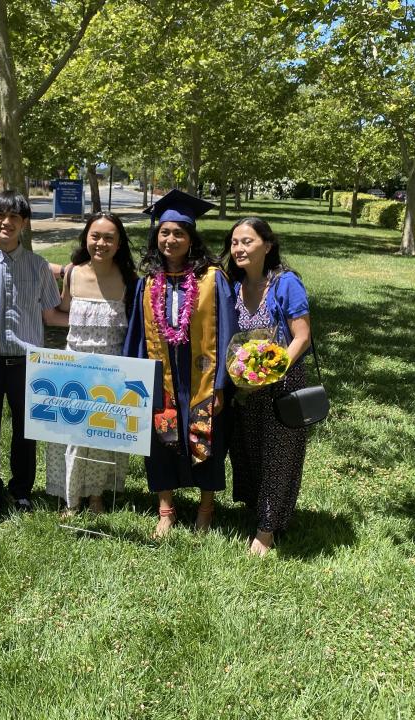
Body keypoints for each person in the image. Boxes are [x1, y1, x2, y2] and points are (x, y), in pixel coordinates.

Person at [124, 190, 239, 538]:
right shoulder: (147, 284)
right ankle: (166, 510)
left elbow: (228, 332)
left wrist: (220, 384)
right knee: (161, 441)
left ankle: (206, 507)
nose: (170, 239)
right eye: (164, 232)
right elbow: (137, 337)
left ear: (191, 239)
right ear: (156, 237)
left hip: (201, 376)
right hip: (161, 377)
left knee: (208, 439)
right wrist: (134, 381)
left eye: (179, 233)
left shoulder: (212, 279)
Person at [0, 190, 64, 521]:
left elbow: (52, 316)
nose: (7, 222)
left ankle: (21, 491)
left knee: (27, 431)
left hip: (28, 364)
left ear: (24, 224)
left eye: (15, 217)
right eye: (0, 215)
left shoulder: (38, 267)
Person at [225, 217, 311, 556]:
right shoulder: (233, 285)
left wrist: (270, 372)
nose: (239, 248)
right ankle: (257, 510)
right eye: (234, 242)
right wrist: (246, 376)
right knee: (247, 451)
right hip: (245, 389)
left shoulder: (286, 284)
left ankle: (266, 530)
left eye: (247, 241)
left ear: (268, 245)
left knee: (279, 456)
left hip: (281, 385)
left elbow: (302, 337)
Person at [45, 213, 138, 514]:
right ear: (86, 238)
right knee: (72, 435)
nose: (101, 243)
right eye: (95, 236)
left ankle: (97, 495)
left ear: (119, 242)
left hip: (111, 368)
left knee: (101, 436)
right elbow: (61, 313)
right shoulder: (72, 273)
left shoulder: (128, 280)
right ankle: (71, 498)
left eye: (109, 237)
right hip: (73, 366)